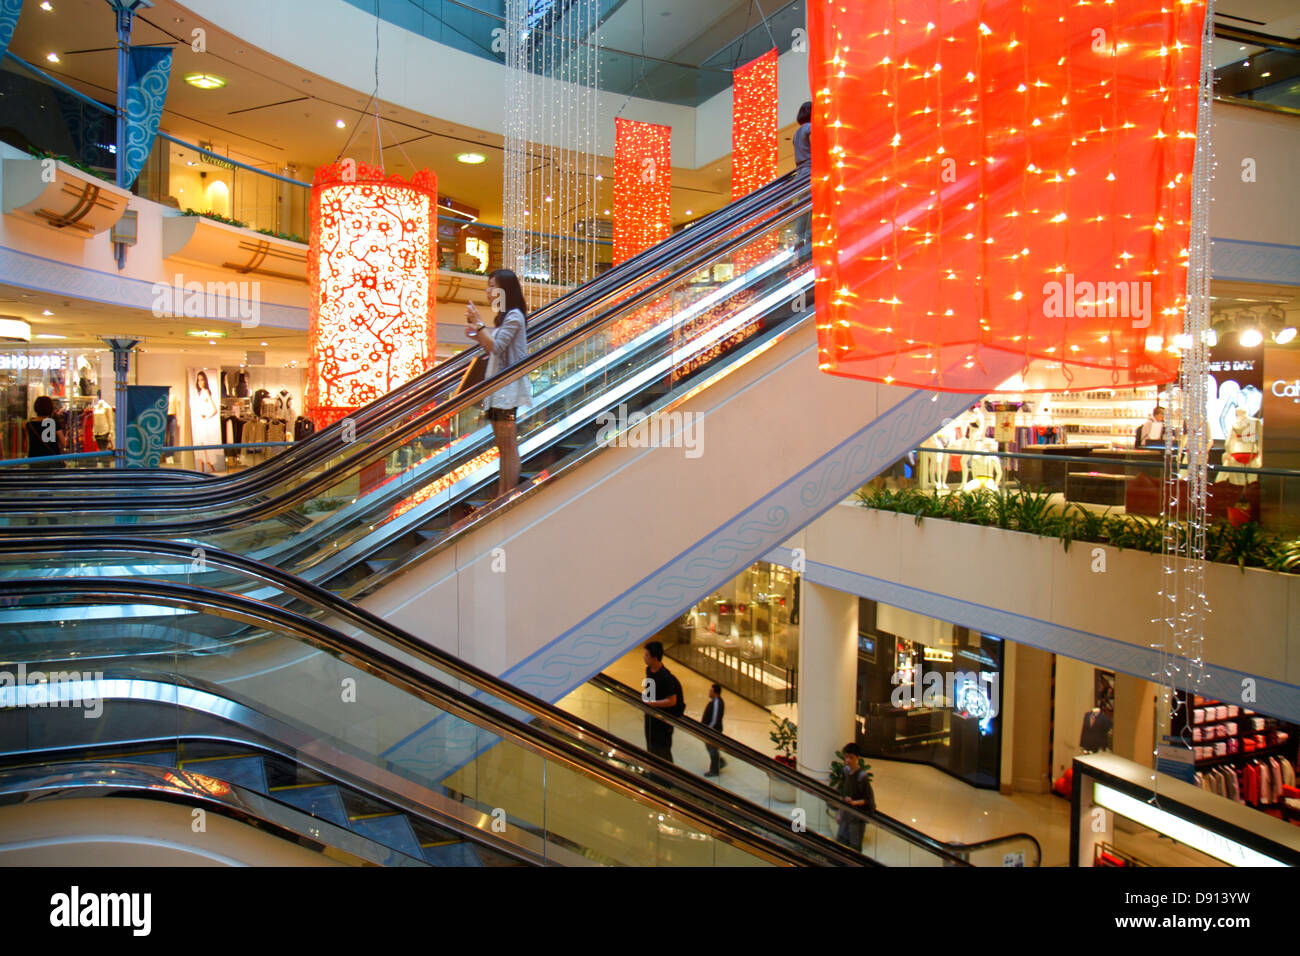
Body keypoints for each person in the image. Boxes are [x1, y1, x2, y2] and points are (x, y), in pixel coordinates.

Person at [466, 268, 531, 499]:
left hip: (507, 390)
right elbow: (493, 347)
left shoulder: (514, 316)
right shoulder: (505, 317)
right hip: (498, 389)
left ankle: (507, 493)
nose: (488, 290)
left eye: (493, 285)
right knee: (503, 446)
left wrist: (479, 325)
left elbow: (496, 346)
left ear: (505, 289)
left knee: (508, 444)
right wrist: (478, 331)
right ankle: (503, 492)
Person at [641, 640, 683, 763]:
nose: (644, 658)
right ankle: (653, 771)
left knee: (663, 750)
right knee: (651, 746)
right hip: (651, 718)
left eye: (647, 655)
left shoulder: (665, 677)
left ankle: (666, 777)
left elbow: (672, 700)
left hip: (662, 721)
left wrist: (653, 704)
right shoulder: (649, 670)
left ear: (655, 658)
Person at [835, 743, 875, 852]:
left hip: (857, 817)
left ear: (858, 758)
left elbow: (868, 800)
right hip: (846, 814)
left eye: (851, 757)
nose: (848, 760)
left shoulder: (862, 776)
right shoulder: (845, 771)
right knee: (841, 842)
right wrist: (840, 812)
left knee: (854, 846)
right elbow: (842, 792)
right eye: (846, 757)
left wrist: (853, 802)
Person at [190, 370, 221, 473]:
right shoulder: (200, 393)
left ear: (205, 381)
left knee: (203, 447)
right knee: (200, 446)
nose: (200, 382)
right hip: (199, 424)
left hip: (204, 423)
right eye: (198, 380)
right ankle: (203, 470)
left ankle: (210, 469)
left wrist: (206, 417)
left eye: (202, 380)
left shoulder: (206, 392)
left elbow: (215, 410)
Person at [792, 100, 813, 247]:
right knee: (812, 205)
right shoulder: (810, 128)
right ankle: (809, 238)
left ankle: (799, 240)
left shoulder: (797, 133)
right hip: (810, 169)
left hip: (800, 172)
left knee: (803, 206)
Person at [26, 395, 65, 467]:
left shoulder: (30, 424)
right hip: (53, 459)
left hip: (34, 459)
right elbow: (64, 443)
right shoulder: (54, 423)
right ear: (50, 408)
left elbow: (27, 443)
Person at [702, 682, 727, 777]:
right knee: (711, 748)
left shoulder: (717, 703)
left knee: (712, 750)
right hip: (711, 730)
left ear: (715, 693)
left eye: (711, 691)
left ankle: (714, 770)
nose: (709, 692)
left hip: (713, 731)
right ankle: (720, 762)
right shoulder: (715, 701)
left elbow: (715, 719)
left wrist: (708, 729)